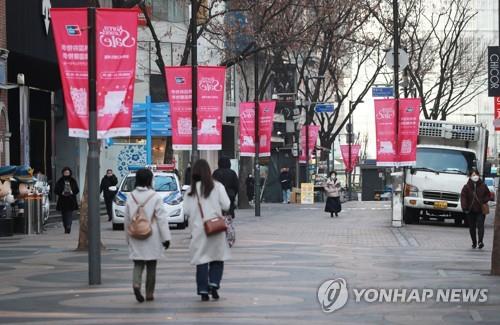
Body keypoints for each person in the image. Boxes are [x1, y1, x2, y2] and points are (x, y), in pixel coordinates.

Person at [183, 159, 231, 301]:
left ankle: (203, 289)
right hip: (216, 227)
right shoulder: (217, 186)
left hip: (198, 229)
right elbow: (227, 205)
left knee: (201, 259)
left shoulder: (190, 191)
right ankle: (214, 282)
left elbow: (185, 211)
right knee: (217, 257)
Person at [124, 168, 172, 303]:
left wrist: (127, 236)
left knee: (138, 263)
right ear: (150, 180)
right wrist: (166, 238)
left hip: (135, 233)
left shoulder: (131, 196)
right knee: (151, 264)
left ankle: (136, 284)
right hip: (152, 234)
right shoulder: (155, 196)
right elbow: (161, 218)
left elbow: (127, 218)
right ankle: (149, 293)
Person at [460, 169, 490, 249]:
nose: (475, 177)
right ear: (470, 176)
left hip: (480, 210)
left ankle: (480, 241)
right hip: (470, 210)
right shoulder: (466, 187)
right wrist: (464, 207)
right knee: (472, 227)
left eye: (476, 175)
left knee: (481, 226)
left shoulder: (483, 186)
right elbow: (463, 198)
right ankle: (474, 242)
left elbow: (488, 195)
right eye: (473, 175)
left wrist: (484, 201)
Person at [55, 167, 79, 234]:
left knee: (69, 214)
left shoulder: (73, 180)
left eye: (68, 172)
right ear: (63, 173)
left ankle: (69, 226)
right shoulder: (60, 181)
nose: (67, 174)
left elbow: (77, 190)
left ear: (70, 173)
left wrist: (72, 192)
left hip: (71, 200)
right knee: (64, 215)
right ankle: (65, 227)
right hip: (63, 200)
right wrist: (61, 192)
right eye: (65, 172)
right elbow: (56, 190)